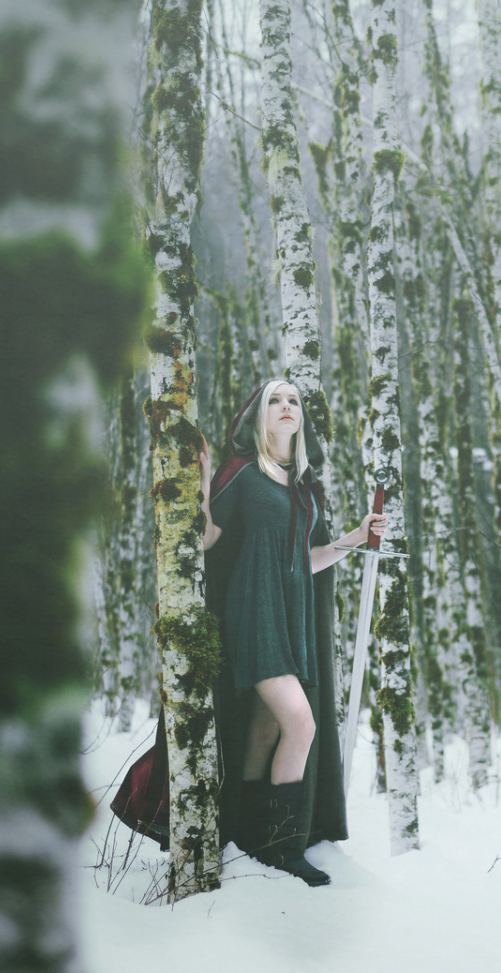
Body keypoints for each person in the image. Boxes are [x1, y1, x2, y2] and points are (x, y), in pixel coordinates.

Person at [200, 379, 384, 886]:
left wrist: (356, 537)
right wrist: (197, 489)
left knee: (265, 731)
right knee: (300, 724)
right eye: (274, 400)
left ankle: (246, 835)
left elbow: (303, 561)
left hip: (290, 616)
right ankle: (282, 847)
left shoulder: (302, 487)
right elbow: (210, 538)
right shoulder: (240, 473)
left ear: (302, 418)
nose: (285, 407)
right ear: (258, 417)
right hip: (252, 613)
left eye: (293, 401)